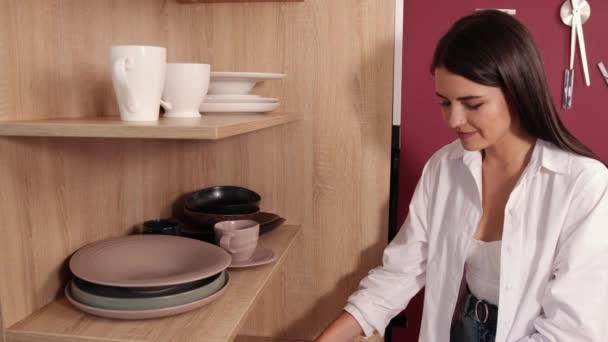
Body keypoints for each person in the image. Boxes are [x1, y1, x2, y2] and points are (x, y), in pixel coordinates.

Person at [315, 10, 608, 342]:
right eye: (445, 103)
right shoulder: (444, 169)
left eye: (472, 104)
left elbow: (572, 331)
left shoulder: (584, 184)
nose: (454, 120)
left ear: (517, 92)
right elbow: (400, 272)